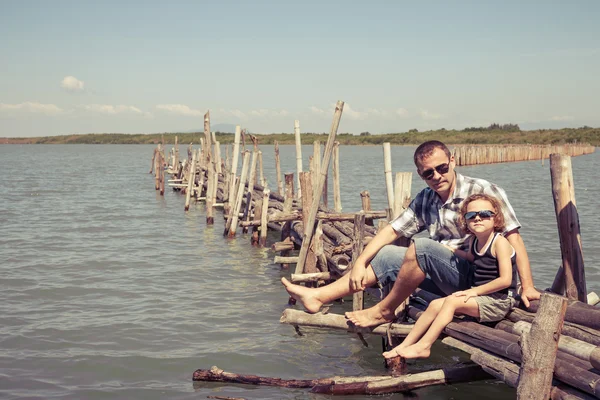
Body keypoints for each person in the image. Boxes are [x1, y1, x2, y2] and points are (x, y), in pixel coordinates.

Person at [281, 140, 539, 327]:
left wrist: (527, 286)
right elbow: (392, 230)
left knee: (422, 247)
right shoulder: (426, 197)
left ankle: (384, 310)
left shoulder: (483, 190)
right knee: (385, 254)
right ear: (421, 175)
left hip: (478, 281)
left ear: (452, 162)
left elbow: (513, 237)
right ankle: (318, 296)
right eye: (428, 173)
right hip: (445, 274)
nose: (436, 176)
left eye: (441, 168)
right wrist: (360, 261)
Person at [382, 193, 518, 360]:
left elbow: (505, 280)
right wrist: (450, 250)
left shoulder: (500, 243)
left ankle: (424, 346)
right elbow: (471, 258)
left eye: (484, 214)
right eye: (471, 215)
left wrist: (473, 292)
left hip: (499, 301)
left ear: (495, 218)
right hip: (482, 297)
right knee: (434, 304)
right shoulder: (474, 241)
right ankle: (404, 345)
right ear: (465, 220)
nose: (477, 218)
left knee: (451, 301)